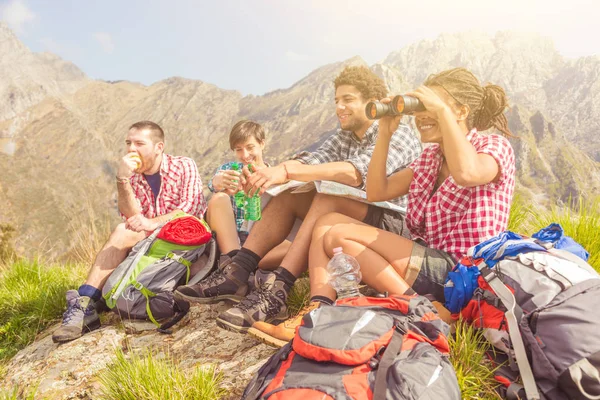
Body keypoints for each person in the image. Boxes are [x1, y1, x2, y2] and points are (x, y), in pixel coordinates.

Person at [249, 67, 516, 347]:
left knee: (339, 236)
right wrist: (385, 134)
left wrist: (443, 112)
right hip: (433, 266)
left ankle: (421, 310)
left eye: (430, 106)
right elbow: (377, 191)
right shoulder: (430, 160)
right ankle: (319, 315)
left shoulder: (493, 147)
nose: (421, 115)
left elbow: (468, 174)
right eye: (420, 107)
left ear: (459, 112)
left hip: (469, 271)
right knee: (326, 222)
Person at [175, 65, 422, 333]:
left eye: (348, 100)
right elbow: (311, 160)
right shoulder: (344, 137)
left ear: (371, 102)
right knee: (291, 194)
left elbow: (355, 173)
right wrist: (277, 173)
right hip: (355, 216)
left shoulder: (400, 134)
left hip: (394, 225)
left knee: (326, 197)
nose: (340, 107)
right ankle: (237, 273)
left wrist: (288, 170)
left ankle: (277, 291)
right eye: (336, 101)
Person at [52, 121, 207, 343]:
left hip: (182, 238)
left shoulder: (183, 166)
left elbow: (191, 209)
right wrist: (122, 179)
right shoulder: (132, 175)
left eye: (139, 143)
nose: (131, 149)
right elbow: (131, 218)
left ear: (158, 147)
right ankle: (85, 304)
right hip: (148, 239)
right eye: (128, 143)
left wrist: (154, 223)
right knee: (122, 230)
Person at [206, 120, 289, 268]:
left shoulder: (275, 175)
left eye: (250, 147)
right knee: (218, 198)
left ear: (262, 144)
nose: (245, 155)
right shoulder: (230, 170)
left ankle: (242, 266)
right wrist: (218, 183)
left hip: (263, 239)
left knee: (301, 242)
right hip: (232, 236)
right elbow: (215, 183)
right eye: (239, 149)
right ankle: (234, 263)